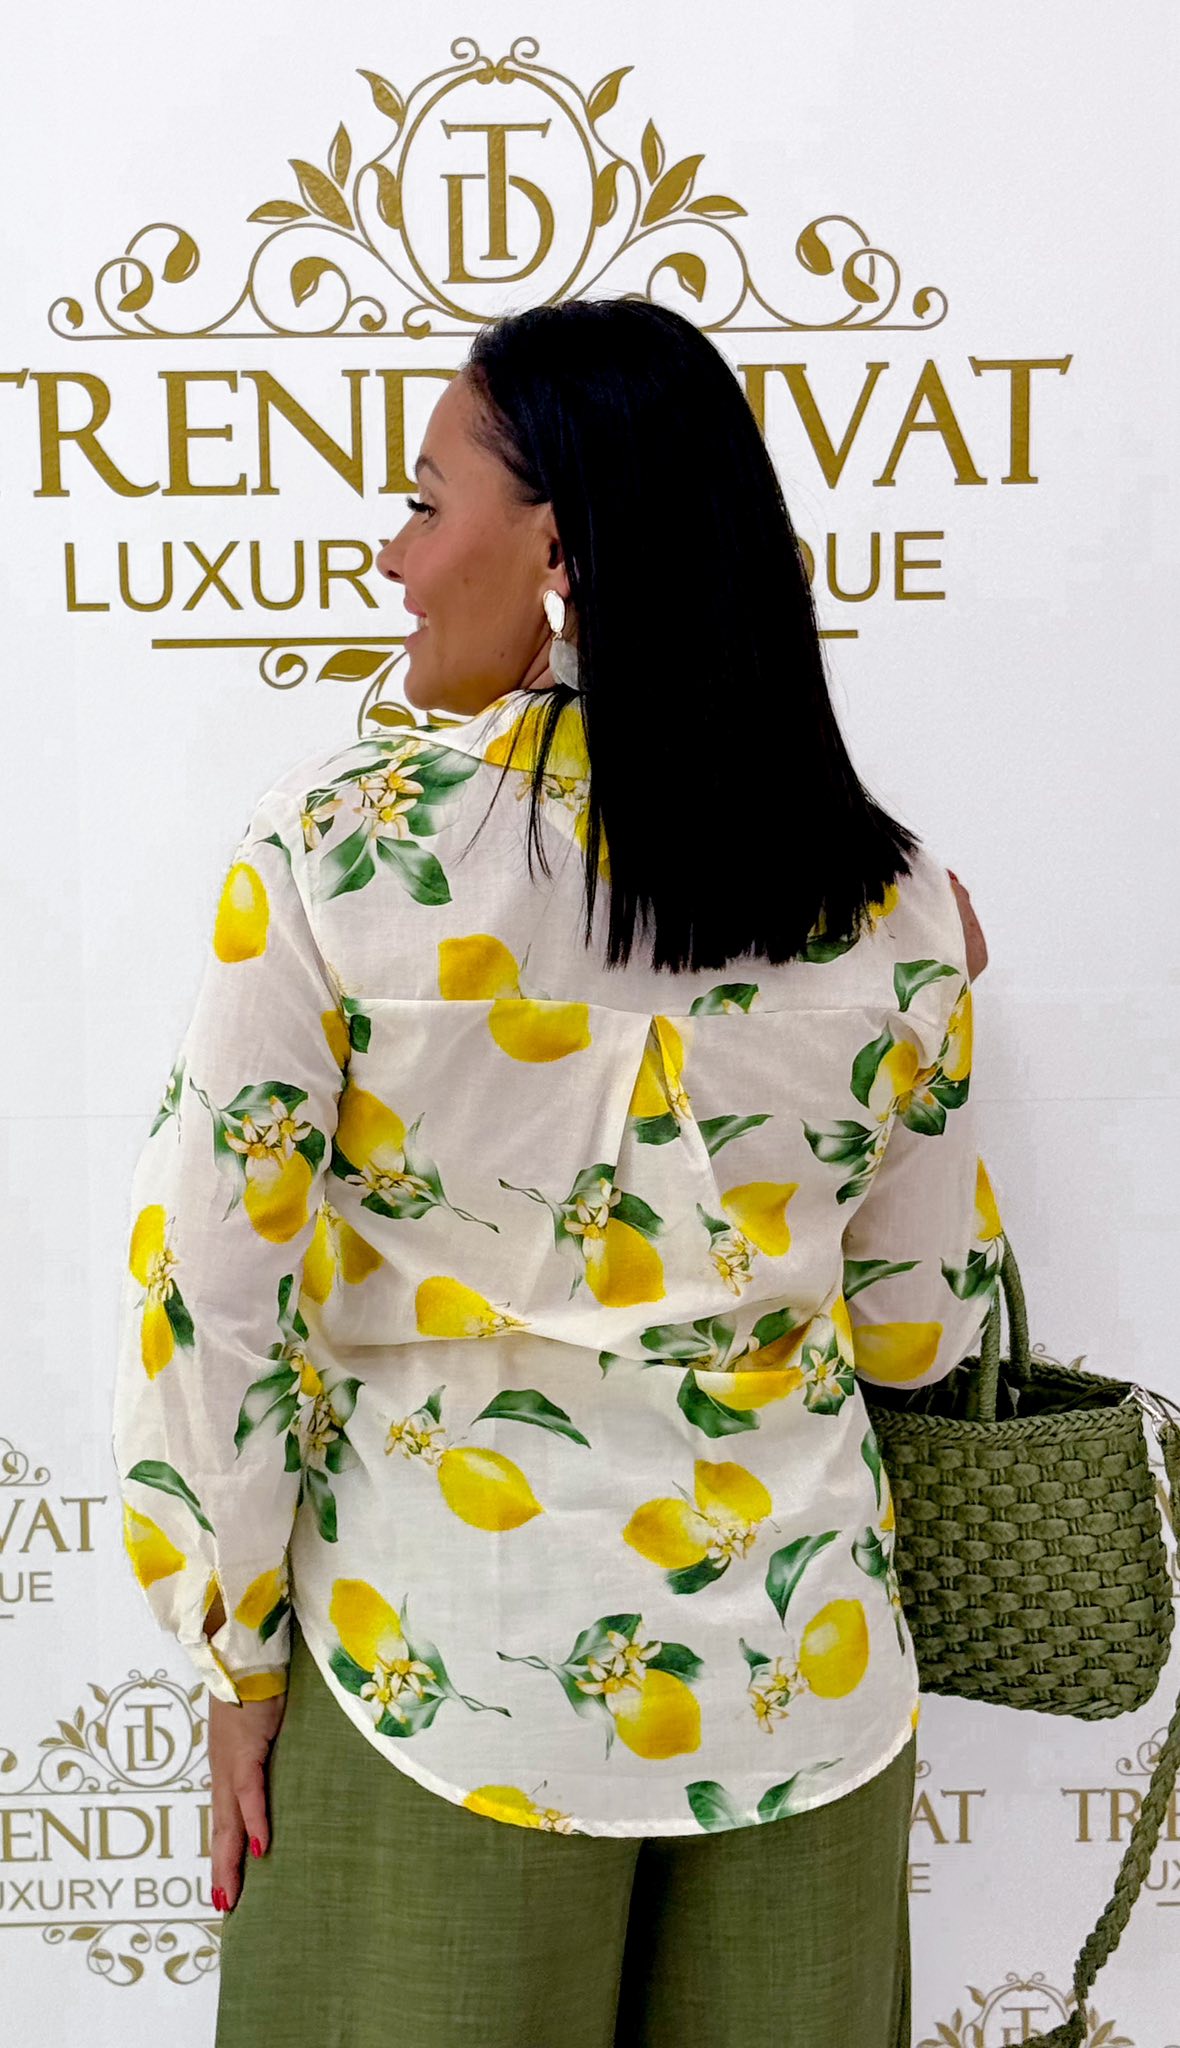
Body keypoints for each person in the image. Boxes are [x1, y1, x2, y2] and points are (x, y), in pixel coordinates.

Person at [112, 297, 997, 2048]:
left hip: (445, 1672)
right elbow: (917, 1326)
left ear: (564, 555)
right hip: (798, 1688)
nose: (391, 555)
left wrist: (236, 1654)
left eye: (425, 502)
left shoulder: (336, 853)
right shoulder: (894, 899)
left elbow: (208, 1299)